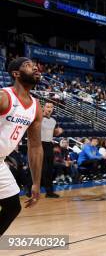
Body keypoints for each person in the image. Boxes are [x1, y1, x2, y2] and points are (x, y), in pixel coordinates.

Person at [0, 57, 43, 235]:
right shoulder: (4, 97)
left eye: (35, 65)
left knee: (12, 207)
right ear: (16, 74)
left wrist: (36, 183)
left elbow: (35, 147)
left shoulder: (36, 106)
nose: (35, 68)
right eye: (28, 65)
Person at [40, 101, 62, 198]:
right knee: (42, 169)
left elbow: (52, 133)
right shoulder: (38, 118)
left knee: (49, 169)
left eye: (51, 107)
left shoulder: (53, 121)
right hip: (39, 144)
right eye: (47, 107)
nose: (49, 109)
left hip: (49, 144)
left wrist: (57, 132)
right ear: (43, 108)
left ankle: (49, 192)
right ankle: (30, 188)